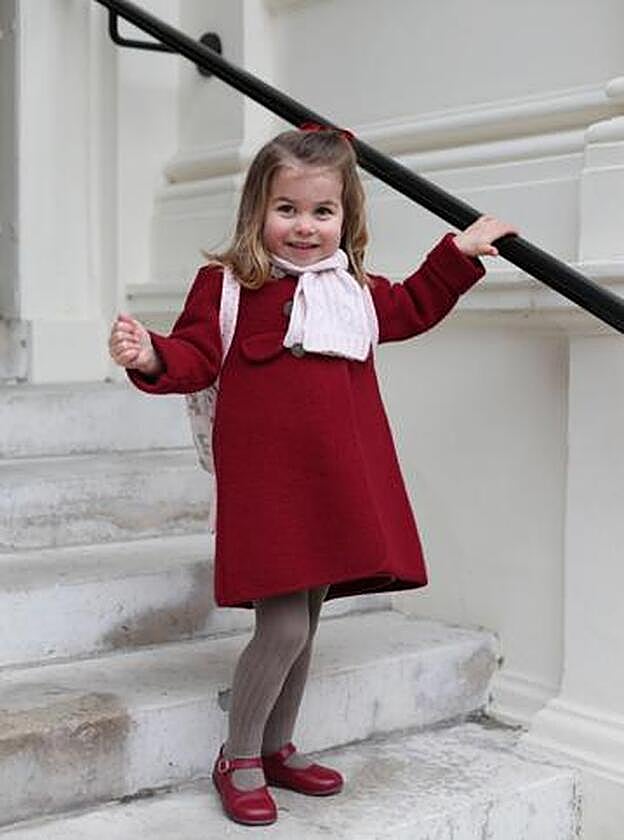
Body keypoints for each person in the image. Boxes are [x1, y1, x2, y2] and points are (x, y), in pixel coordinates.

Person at [108, 126, 518, 827]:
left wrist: (457, 254)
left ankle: (275, 746)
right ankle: (237, 756)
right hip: (270, 488)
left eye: (321, 212)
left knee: (310, 618)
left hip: (334, 482)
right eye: (287, 209)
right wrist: (150, 354)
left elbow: (415, 305)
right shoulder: (230, 285)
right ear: (256, 212)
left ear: (345, 218)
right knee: (284, 629)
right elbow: (197, 354)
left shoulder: (351, 288)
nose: (304, 227)